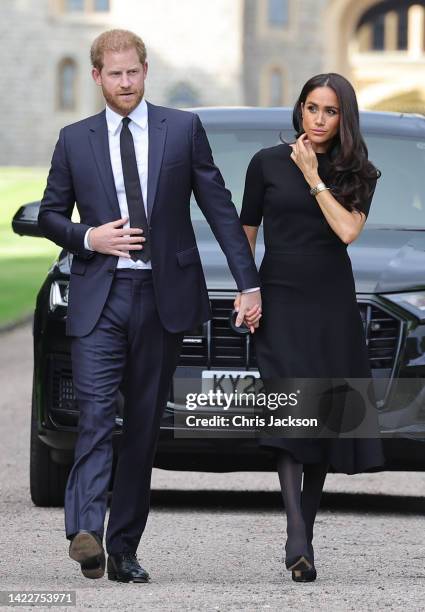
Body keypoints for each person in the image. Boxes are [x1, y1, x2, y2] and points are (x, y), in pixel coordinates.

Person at [38, 29, 261, 583]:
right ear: (97, 77)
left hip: (162, 298)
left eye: (133, 72)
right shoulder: (74, 139)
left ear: (145, 70)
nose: (125, 83)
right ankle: (86, 530)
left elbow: (218, 206)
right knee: (94, 415)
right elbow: (48, 216)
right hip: (100, 296)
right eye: (114, 74)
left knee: (141, 428)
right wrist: (89, 238)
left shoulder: (181, 129)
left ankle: (124, 548)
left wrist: (248, 282)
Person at [238, 73, 384, 582]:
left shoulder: (358, 172)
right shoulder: (264, 164)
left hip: (330, 305)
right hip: (279, 300)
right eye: (311, 108)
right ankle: (297, 533)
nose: (318, 119)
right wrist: (246, 288)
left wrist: (314, 177)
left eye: (329, 111)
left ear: (344, 118)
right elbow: (246, 235)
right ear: (299, 110)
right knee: (289, 410)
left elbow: (346, 231)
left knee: (321, 415)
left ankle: (304, 533)